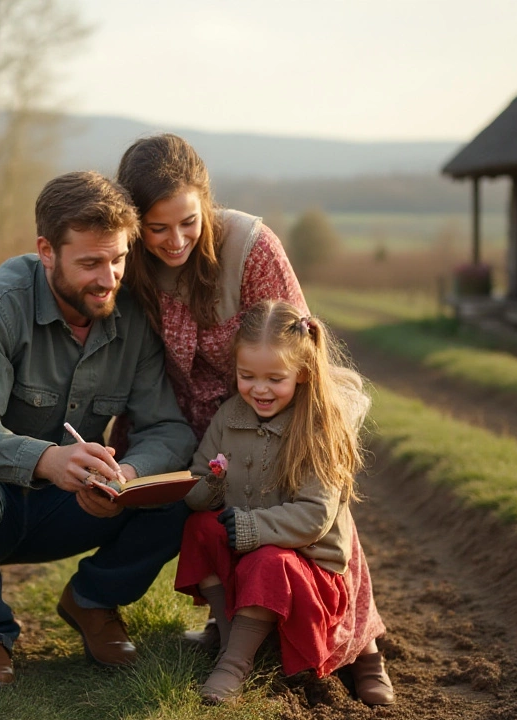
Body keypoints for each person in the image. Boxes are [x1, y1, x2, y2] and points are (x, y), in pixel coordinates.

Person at [116, 133, 393, 705]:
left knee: (318, 512)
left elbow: (295, 342)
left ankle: (364, 648)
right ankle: (230, 631)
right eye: (157, 227)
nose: (175, 241)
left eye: (188, 222)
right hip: (200, 424)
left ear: (206, 204)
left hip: (284, 402)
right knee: (214, 526)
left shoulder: (250, 247)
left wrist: (307, 422)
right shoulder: (132, 264)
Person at [0, 171, 197, 688]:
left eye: (119, 259)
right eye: (90, 263)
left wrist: (123, 475)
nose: (108, 278)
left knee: (179, 495)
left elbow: (169, 430)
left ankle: (93, 601)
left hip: (69, 508)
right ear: (46, 250)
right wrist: (47, 460)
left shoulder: (133, 316)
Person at [176, 300, 370, 703]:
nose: (259, 389)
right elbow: (197, 484)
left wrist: (253, 527)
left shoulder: (317, 427)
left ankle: (233, 667)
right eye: (247, 376)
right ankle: (233, 639)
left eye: (274, 378)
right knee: (200, 528)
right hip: (249, 553)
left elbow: (316, 514)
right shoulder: (229, 416)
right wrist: (211, 483)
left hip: (308, 568)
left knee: (269, 560)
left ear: (301, 373)